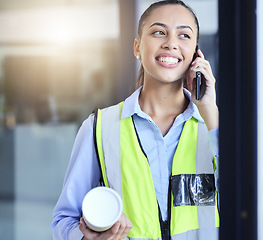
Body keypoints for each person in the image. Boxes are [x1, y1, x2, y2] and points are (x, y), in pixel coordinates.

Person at [52, 0, 219, 239]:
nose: (171, 43)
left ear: (195, 54)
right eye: (159, 32)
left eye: (184, 35)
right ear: (137, 47)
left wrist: (210, 113)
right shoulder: (98, 127)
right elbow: (63, 221)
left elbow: (241, 202)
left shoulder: (211, 126)